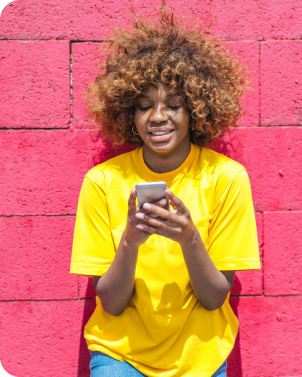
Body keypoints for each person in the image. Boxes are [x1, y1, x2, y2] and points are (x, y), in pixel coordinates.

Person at [70, 7, 261, 377]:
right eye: (145, 107)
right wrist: (130, 240)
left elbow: (214, 297)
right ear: (129, 114)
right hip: (119, 355)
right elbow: (110, 304)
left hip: (199, 358)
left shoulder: (226, 178)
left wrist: (189, 237)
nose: (158, 117)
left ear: (195, 110)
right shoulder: (102, 182)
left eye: (173, 105)